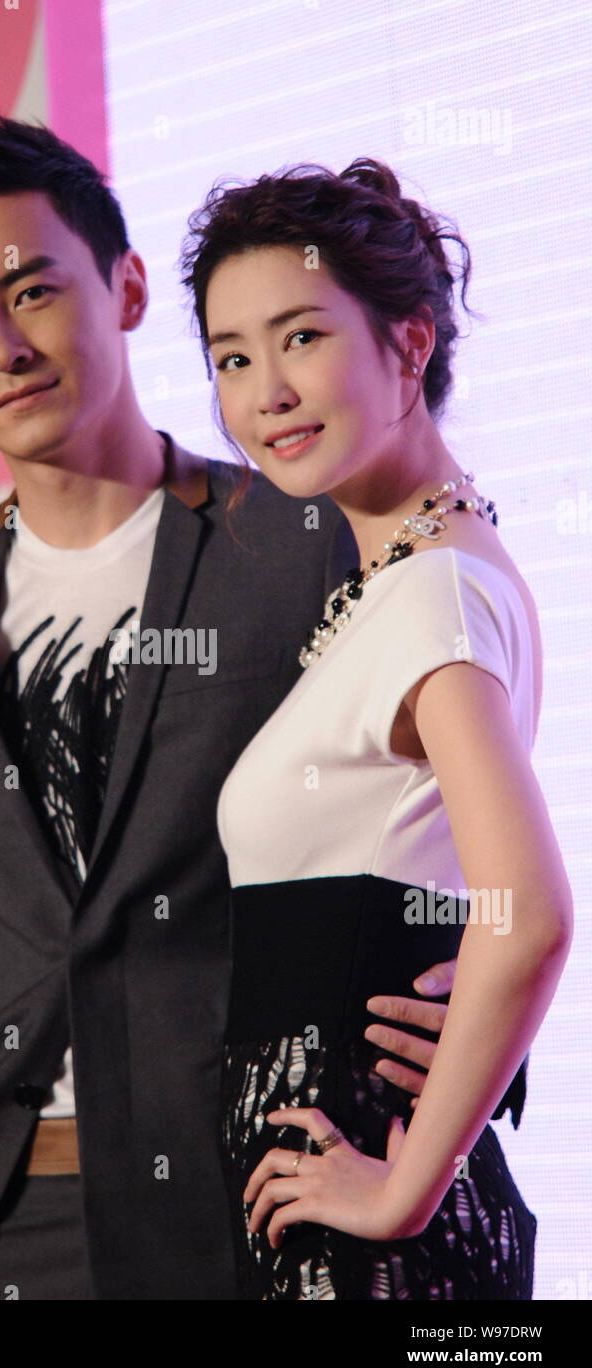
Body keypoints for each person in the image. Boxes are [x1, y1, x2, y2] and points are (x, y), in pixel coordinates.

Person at [0, 116, 527, 1300]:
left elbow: (455, 838)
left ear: (125, 287)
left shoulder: (317, 533)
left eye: (30, 292)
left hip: (224, 1200)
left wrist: (465, 1023)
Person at [177, 157, 573, 1300]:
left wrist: (399, 1191)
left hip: (377, 1236)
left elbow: (529, 910)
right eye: (233, 359)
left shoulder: (431, 594)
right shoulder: (404, 584)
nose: (266, 392)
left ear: (408, 343)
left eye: (301, 336)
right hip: (341, 1212)